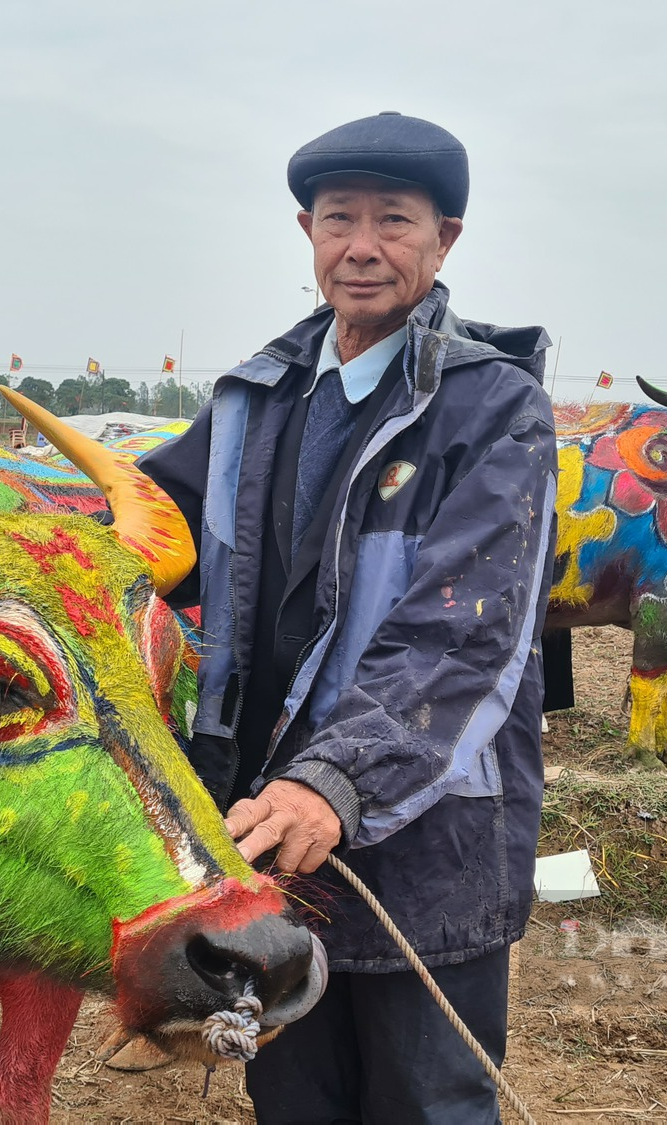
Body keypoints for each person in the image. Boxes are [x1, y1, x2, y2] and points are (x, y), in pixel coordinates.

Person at [139, 111, 556, 1122]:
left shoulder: (491, 410)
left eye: (393, 222)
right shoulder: (256, 398)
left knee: (425, 1101)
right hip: (266, 829)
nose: (361, 247)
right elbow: (144, 526)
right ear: (305, 231)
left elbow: (460, 634)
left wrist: (333, 782)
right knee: (293, 1095)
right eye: (337, 220)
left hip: (421, 835)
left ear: (443, 238)